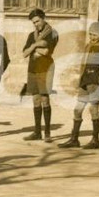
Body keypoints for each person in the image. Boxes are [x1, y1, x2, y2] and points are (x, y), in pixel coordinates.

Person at [59, 21, 99, 149]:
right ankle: (74, 139)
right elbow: (83, 63)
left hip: (94, 82)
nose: (92, 37)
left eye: (95, 35)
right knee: (77, 109)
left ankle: (95, 140)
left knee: (93, 110)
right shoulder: (88, 46)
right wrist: (80, 78)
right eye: (90, 34)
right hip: (85, 81)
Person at [22, 8, 59, 142]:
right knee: (35, 99)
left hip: (45, 68)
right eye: (33, 23)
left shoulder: (52, 33)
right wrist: (35, 46)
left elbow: (47, 51)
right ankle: (37, 132)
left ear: (43, 18)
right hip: (32, 68)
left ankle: (47, 133)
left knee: (45, 99)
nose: (36, 24)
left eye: (37, 21)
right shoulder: (32, 35)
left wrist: (33, 48)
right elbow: (25, 53)